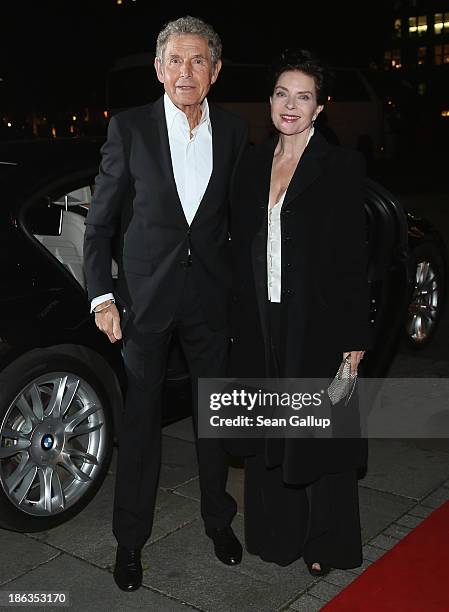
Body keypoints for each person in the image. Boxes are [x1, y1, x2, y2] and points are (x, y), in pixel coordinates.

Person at [84, 16, 248, 592]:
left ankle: (218, 521)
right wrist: (102, 296)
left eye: (198, 60)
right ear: (158, 69)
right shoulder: (128, 130)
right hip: (143, 306)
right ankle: (130, 543)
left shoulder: (234, 134)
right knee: (141, 427)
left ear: (215, 71)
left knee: (215, 420)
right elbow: (99, 226)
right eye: (175, 60)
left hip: (209, 303)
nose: (186, 71)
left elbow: (242, 224)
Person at [229, 50, 371, 575]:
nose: (291, 105)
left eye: (303, 97)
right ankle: (276, 534)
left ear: (319, 108)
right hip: (261, 321)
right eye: (282, 94)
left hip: (317, 321)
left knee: (321, 438)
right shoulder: (251, 163)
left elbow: (353, 258)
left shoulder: (340, 165)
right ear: (269, 101)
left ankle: (327, 542)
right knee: (270, 431)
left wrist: (354, 338)